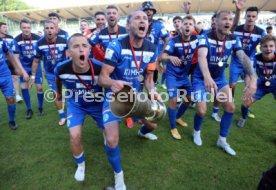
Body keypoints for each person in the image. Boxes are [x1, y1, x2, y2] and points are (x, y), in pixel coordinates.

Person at [98, 10, 161, 189]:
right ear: (128, 25)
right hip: (115, 96)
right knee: (111, 140)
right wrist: (113, 82)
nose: (144, 21)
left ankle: (141, 132)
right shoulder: (116, 45)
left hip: (136, 97)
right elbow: (102, 78)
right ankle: (119, 176)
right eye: (138, 18)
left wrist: (152, 91)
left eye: (145, 19)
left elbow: (149, 78)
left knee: (153, 124)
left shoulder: (151, 47)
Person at [192, 10, 257, 156]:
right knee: (201, 110)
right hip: (200, 78)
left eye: (230, 19)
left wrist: (253, 77)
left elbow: (243, 57)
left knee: (230, 108)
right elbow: (202, 57)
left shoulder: (233, 38)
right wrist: (207, 77)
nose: (228, 22)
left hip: (220, 79)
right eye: (224, 19)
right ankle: (196, 131)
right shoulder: (205, 37)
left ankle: (222, 140)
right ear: (216, 22)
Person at [55, 33, 104, 182]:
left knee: (111, 137)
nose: (81, 50)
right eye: (76, 46)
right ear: (69, 52)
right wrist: (59, 94)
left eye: (84, 46)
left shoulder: (100, 67)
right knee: (74, 136)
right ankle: (81, 165)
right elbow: (58, 81)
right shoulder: (61, 68)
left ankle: (105, 132)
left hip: (97, 104)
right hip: (76, 105)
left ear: (89, 50)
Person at [90, 5, 133, 129]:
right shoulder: (100, 34)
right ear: (106, 17)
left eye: (114, 13)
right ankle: (111, 114)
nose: (112, 15)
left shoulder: (126, 31)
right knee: (110, 91)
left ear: (118, 16)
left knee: (127, 90)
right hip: (108, 68)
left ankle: (129, 115)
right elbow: (88, 43)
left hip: (124, 67)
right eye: (109, 13)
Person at [161, 15, 198, 139]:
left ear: (193, 27)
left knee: (189, 99)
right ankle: (173, 128)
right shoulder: (173, 40)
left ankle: (177, 117)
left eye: (190, 24)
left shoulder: (196, 39)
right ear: (181, 26)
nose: (187, 26)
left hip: (184, 75)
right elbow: (163, 56)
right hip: (172, 76)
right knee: (173, 101)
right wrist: (170, 57)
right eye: (185, 24)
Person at [229, 6, 266, 119]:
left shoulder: (260, 32)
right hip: (236, 61)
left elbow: (267, 44)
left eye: (253, 16)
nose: (250, 18)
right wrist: (238, 10)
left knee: (249, 86)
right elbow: (231, 27)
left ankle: (246, 107)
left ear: (256, 18)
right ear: (245, 16)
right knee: (232, 85)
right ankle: (231, 101)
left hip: (249, 62)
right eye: (248, 16)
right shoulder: (237, 29)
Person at [30, 20, 68, 126]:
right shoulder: (39, 44)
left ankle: (77, 111)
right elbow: (36, 61)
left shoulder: (64, 41)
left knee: (73, 92)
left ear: (56, 30)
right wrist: (33, 76)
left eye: (52, 28)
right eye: (47, 28)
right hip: (51, 74)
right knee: (55, 94)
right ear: (44, 30)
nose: (49, 30)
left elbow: (70, 56)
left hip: (65, 72)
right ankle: (62, 116)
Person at [237, 35, 276, 128]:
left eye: (271, 46)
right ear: (260, 47)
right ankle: (243, 118)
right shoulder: (255, 57)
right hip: (261, 84)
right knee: (245, 103)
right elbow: (249, 73)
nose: (268, 49)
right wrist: (248, 86)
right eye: (265, 46)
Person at [14, 19, 44, 119]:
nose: (26, 30)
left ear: (31, 28)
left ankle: (40, 107)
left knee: (39, 87)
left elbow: (42, 53)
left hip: (36, 65)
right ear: (20, 28)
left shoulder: (37, 38)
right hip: (24, 66)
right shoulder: (17, 39)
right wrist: (23, 72)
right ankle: (29, 109)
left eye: (28, 27)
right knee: (24, 87)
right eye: (24, 28)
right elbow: (16, 58)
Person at [0, 32, 28, 129]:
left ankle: (11, 120)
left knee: (10, 98)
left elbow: (8, 54)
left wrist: (16, 67)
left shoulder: (1, 41)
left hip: (4, 74)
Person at [141, 1, 170, 84]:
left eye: (151, 10)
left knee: (151, 85)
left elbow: (167, 39)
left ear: (153, 12)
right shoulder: (137, 23)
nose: (149, 11)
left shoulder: (159, 24)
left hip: (152, 59)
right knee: (139, 84)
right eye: (146, 9)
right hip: (138, 59)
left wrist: (161, 55)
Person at [0, 22, 23, 103]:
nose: (6, 29)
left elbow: (14, 48)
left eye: (6, 27)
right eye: (4, 27)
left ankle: (17, 95)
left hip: (10, 60)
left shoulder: (10, 37)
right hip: (2, 62)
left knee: (15, 77)